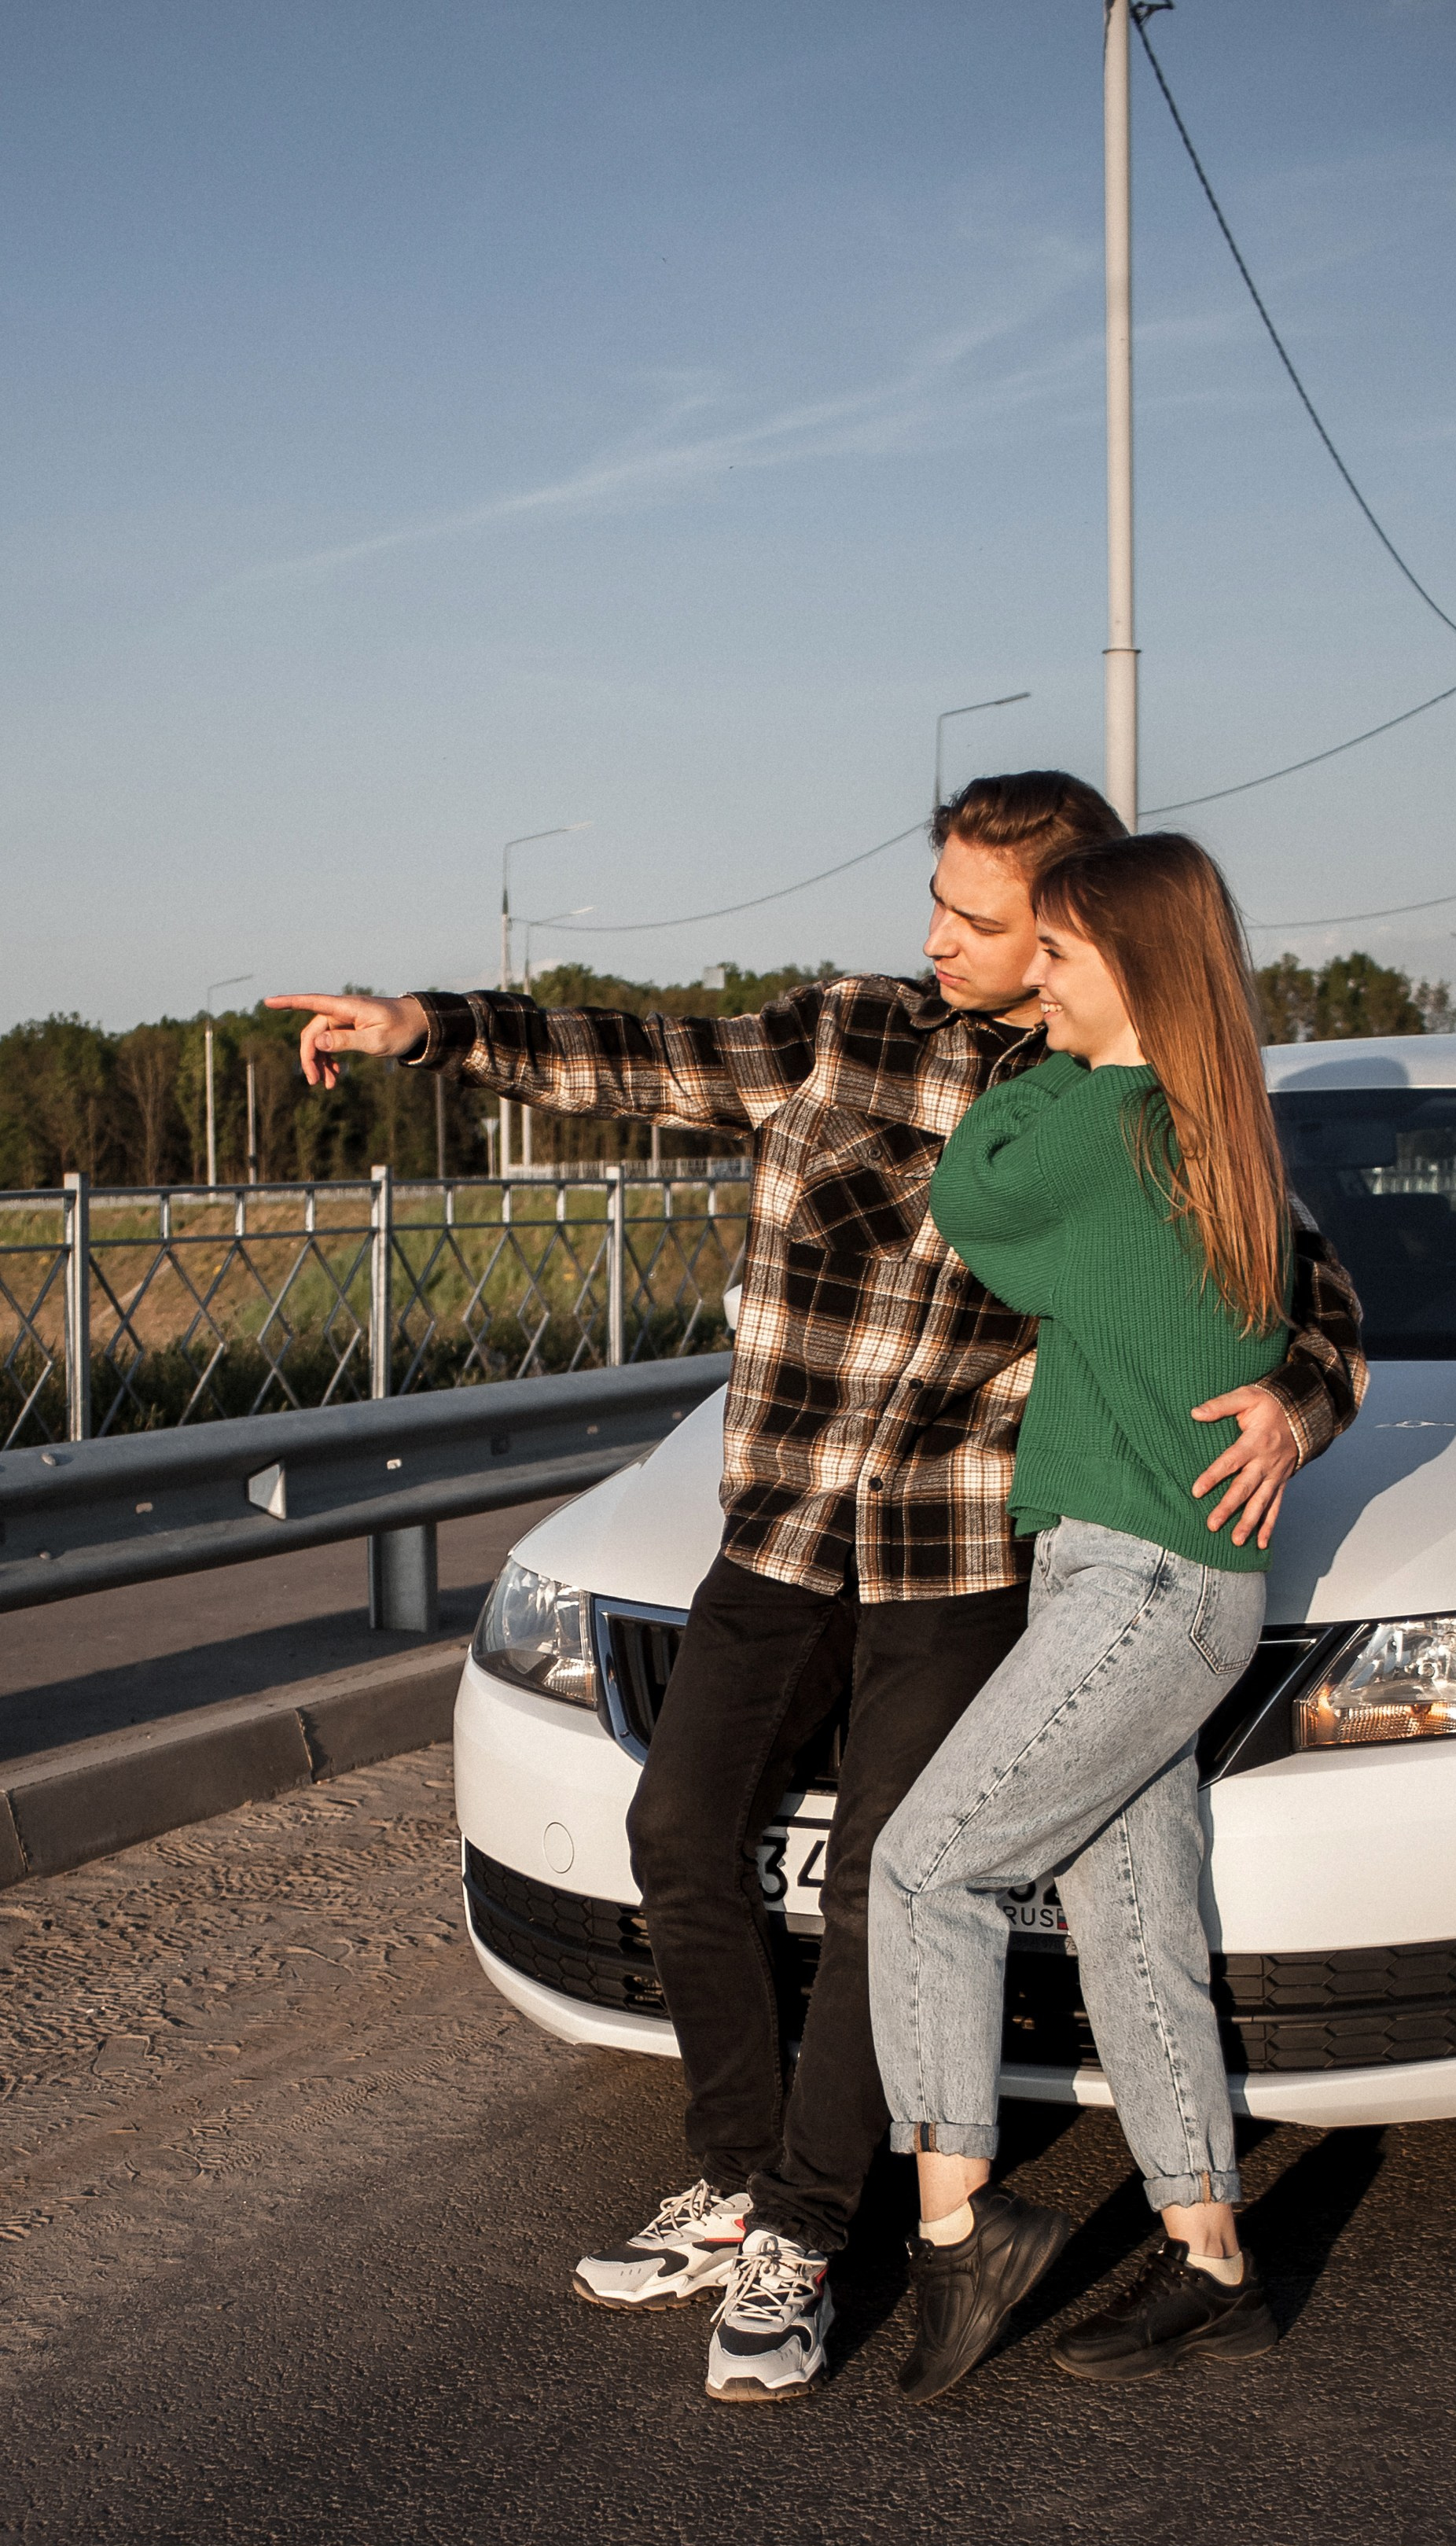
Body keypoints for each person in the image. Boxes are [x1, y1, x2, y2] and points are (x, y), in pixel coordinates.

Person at [267, 774, 1364, 2405]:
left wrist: (1300, 1398)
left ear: (1079, 927)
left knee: (887, 1883)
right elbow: (636, 1055)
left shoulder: (1120, 1089)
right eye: (936, 900)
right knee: (675, 1832)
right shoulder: (846, 1034)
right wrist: (431, 1024)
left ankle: (808, 2225)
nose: (934, 937)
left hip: (952, 1551)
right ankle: (731, 2176)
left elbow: (1302, 1288)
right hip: (778, 1527)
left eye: (980, 921)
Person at [870, 830, 1305, 2401]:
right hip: (1161, 1580)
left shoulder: (1110, 1120)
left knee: (926, 1867)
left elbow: (969, 1195)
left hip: (1135, 1578)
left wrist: (1038, 1057)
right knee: (1132, 1930)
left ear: (1137, 971)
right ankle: (1209, 2264)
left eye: (1055, 957)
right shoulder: (1210, 1127)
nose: (1025, 984)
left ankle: (954, 2235)